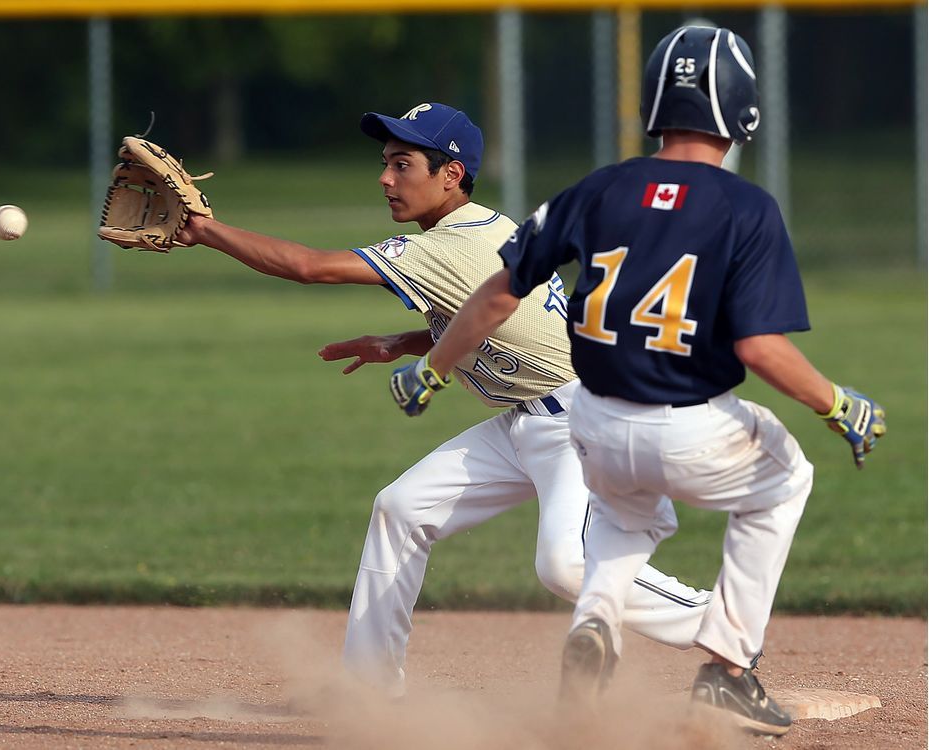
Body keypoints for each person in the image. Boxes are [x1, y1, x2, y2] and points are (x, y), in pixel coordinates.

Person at [390, 30, 886, 736]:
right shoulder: (745, 207)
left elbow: (501, 290)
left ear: (654, 104)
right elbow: (759, 347)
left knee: (627, 517)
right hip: (688, 425)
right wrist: (838, 404)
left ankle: (595, 621)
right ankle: (728, 670)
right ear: (743, 110)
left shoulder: (598, 189)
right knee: (785, 477)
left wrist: (432, 368)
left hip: (593, 422)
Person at [171, 102, 711, 698]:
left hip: (586, 424)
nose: (385, 178)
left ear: (451, 174)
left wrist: (203, 230)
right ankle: (370, 689)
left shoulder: (448, 247)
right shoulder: (485, 227)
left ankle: (721, 621)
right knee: (401, 509)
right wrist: (403, 342)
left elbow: (308, 267)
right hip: (530, 420)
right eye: (385, 163)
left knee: (565, 564)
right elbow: (501, 323)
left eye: (402, 165)